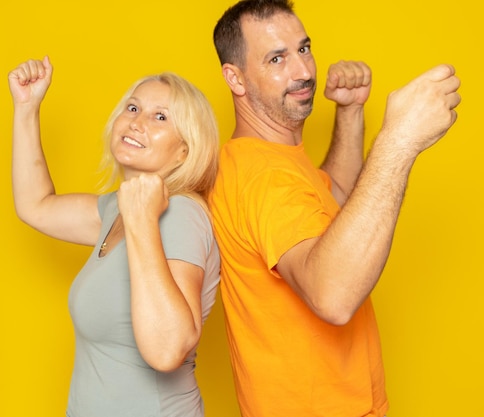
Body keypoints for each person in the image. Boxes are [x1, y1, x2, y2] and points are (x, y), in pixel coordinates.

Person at [209, 0, 461, 416]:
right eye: (277, 58)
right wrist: (399, 141)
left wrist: (350, 109)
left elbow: (336, 199)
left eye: (303, 49)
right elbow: (333, 295)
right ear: (235, 78)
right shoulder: (264, 178)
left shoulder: (273, 162)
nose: (304, 71)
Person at [9, 56, 221, 417]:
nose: (137, 122)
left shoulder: (180, 215)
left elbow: (169, 349)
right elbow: (36, 205)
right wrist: (27, 109)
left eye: (160, 117)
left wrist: (141, 221)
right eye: (133, 107)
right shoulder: (117, 210)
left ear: (184, 150)